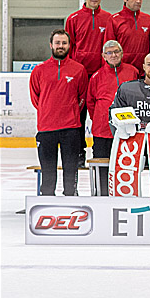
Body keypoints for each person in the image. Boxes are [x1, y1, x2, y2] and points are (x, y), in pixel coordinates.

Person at [29, 30, 89, 196]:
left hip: (71, 129)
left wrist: (69, 112)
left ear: (69, 45)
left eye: (64, 43)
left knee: (70, 172)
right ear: (51, 45)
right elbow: (36, 99)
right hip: (46, 129)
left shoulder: (79, 70)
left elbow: (82, 97)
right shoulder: (39, 71)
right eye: (57, 43)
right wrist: (48, 110)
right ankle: (48, 202)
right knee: (48, 174)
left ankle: (70, 200)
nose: (60, 46)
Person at [86, 40, 139, 194]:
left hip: (127, 131)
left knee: (126, 167)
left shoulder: (132, 72)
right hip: (102, 132)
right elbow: (90, 103)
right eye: (110, 52)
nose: (114, 55)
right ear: (104, 56)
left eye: (116, 51)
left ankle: (126, 195)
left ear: (121, 53)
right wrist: (101, 118)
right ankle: (102, 197)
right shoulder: (96, 77)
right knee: (102, 168)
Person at [65, 0, 115, 76]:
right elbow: (69, 46)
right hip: (78, 69)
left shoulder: (109, 18)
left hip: (101, 70)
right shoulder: (73, 19)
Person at [112, 0, 150, 70]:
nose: (138, 1)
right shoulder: (114, 20)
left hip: (143, 72)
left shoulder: (148, 19)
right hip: (123, 71)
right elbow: (109, 48)